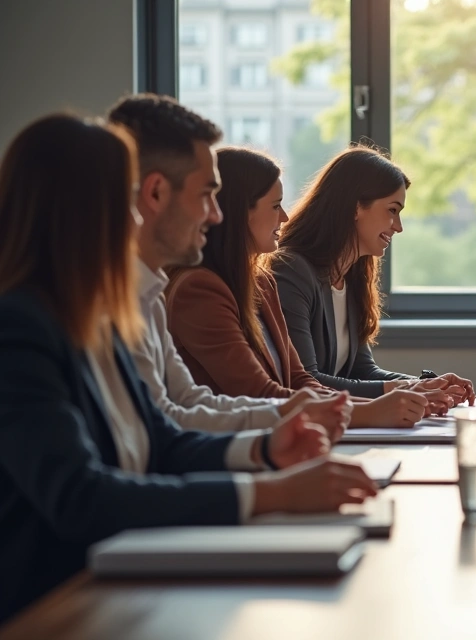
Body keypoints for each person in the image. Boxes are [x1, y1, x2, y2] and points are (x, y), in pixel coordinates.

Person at [0, 114, 379, 622]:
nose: (136, 222)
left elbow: (161, 439)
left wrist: (267, 447)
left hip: (120, 579)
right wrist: (269, 492)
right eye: (125, 206)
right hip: (55, 605)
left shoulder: (96, 315)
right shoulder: (20, 327)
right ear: (88, 213)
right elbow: (80, 496)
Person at [108, 94, 350, 439]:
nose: (215, 214)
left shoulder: (151, 292)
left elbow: (184, 404)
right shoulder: (170, 291)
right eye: (206, 195)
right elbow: (170, 424)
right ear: (156, 193)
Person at [165, 147, 442, 428]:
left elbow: (300, 381)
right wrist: (372, 410)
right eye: (275, 206)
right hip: (229, 445)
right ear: (240, 212)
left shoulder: (263, 281)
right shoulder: (199, 289)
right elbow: (259, 394)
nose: (284, 218)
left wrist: (404, 395)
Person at [271, 146, 475, 403]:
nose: (398, 227)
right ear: (356, 207)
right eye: (392, 210)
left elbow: (362, 371)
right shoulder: (292, 270)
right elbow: (305, 380)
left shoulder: (353, 278)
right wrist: (406, 390)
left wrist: (425, 385)